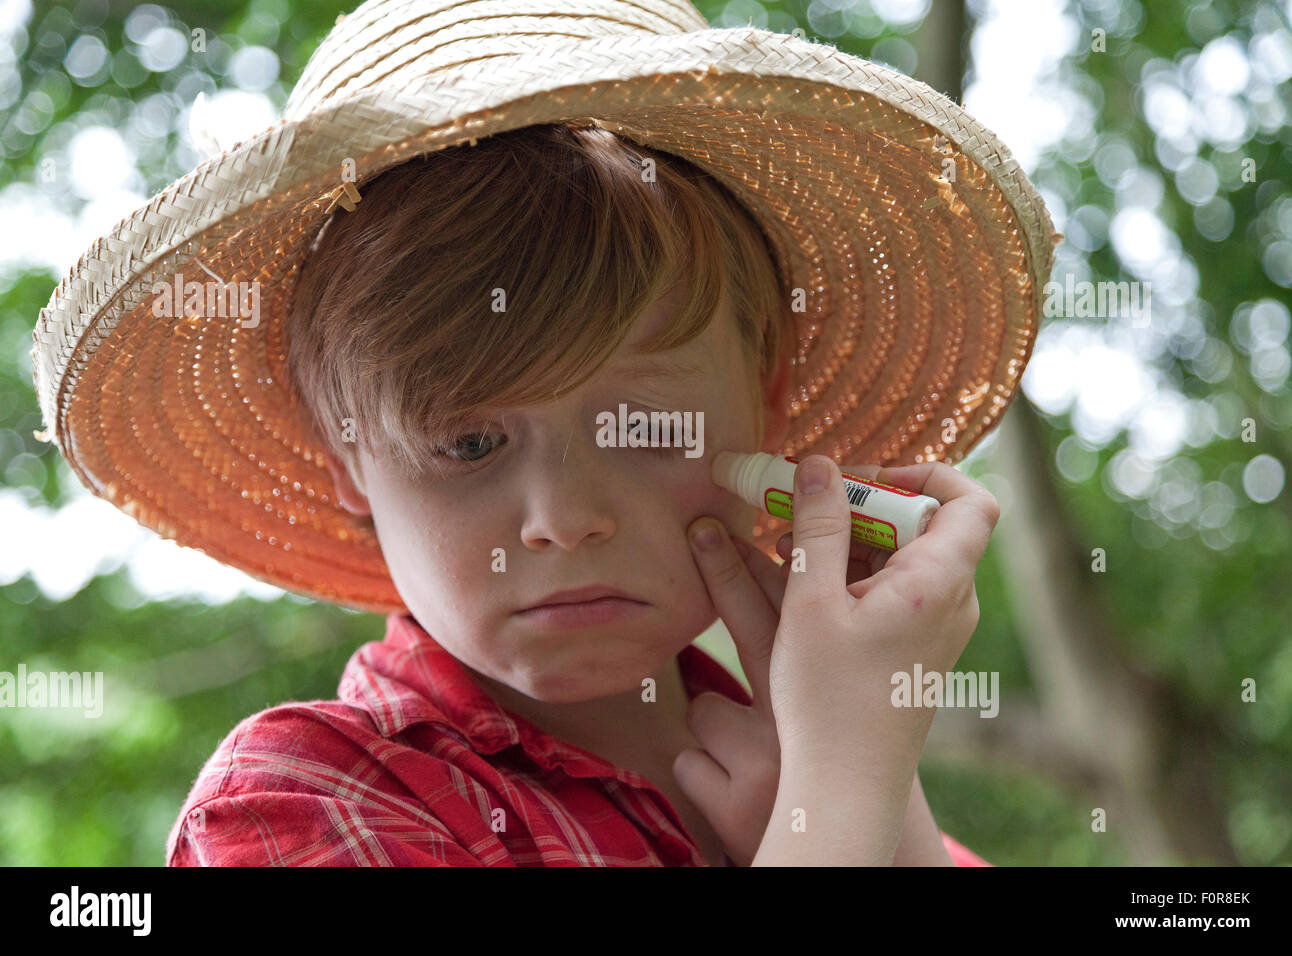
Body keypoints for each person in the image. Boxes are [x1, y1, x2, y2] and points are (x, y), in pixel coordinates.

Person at [31, 0, 1058, 866]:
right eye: (469, 443)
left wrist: (888, 821)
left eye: (648, 425)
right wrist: (838, 802)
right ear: (348, 457)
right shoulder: (302, 802)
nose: (563, 518)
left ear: (769, 405)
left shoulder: (801, 767)